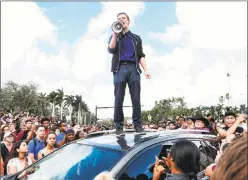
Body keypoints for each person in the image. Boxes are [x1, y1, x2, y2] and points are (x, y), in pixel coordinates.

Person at [108, 12, 151, 136]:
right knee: (118, 99)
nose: (121, 20)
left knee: (136, 99)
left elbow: (141, 55)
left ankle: (138, 125)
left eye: (123, 18)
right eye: (119, 19)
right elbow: (111, 49)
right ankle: (119, 126)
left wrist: (146, 70)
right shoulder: (114, 36)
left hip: (133, 68)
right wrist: (115, 34)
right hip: (119, 68)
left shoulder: (136, 38)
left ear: (128, 21)